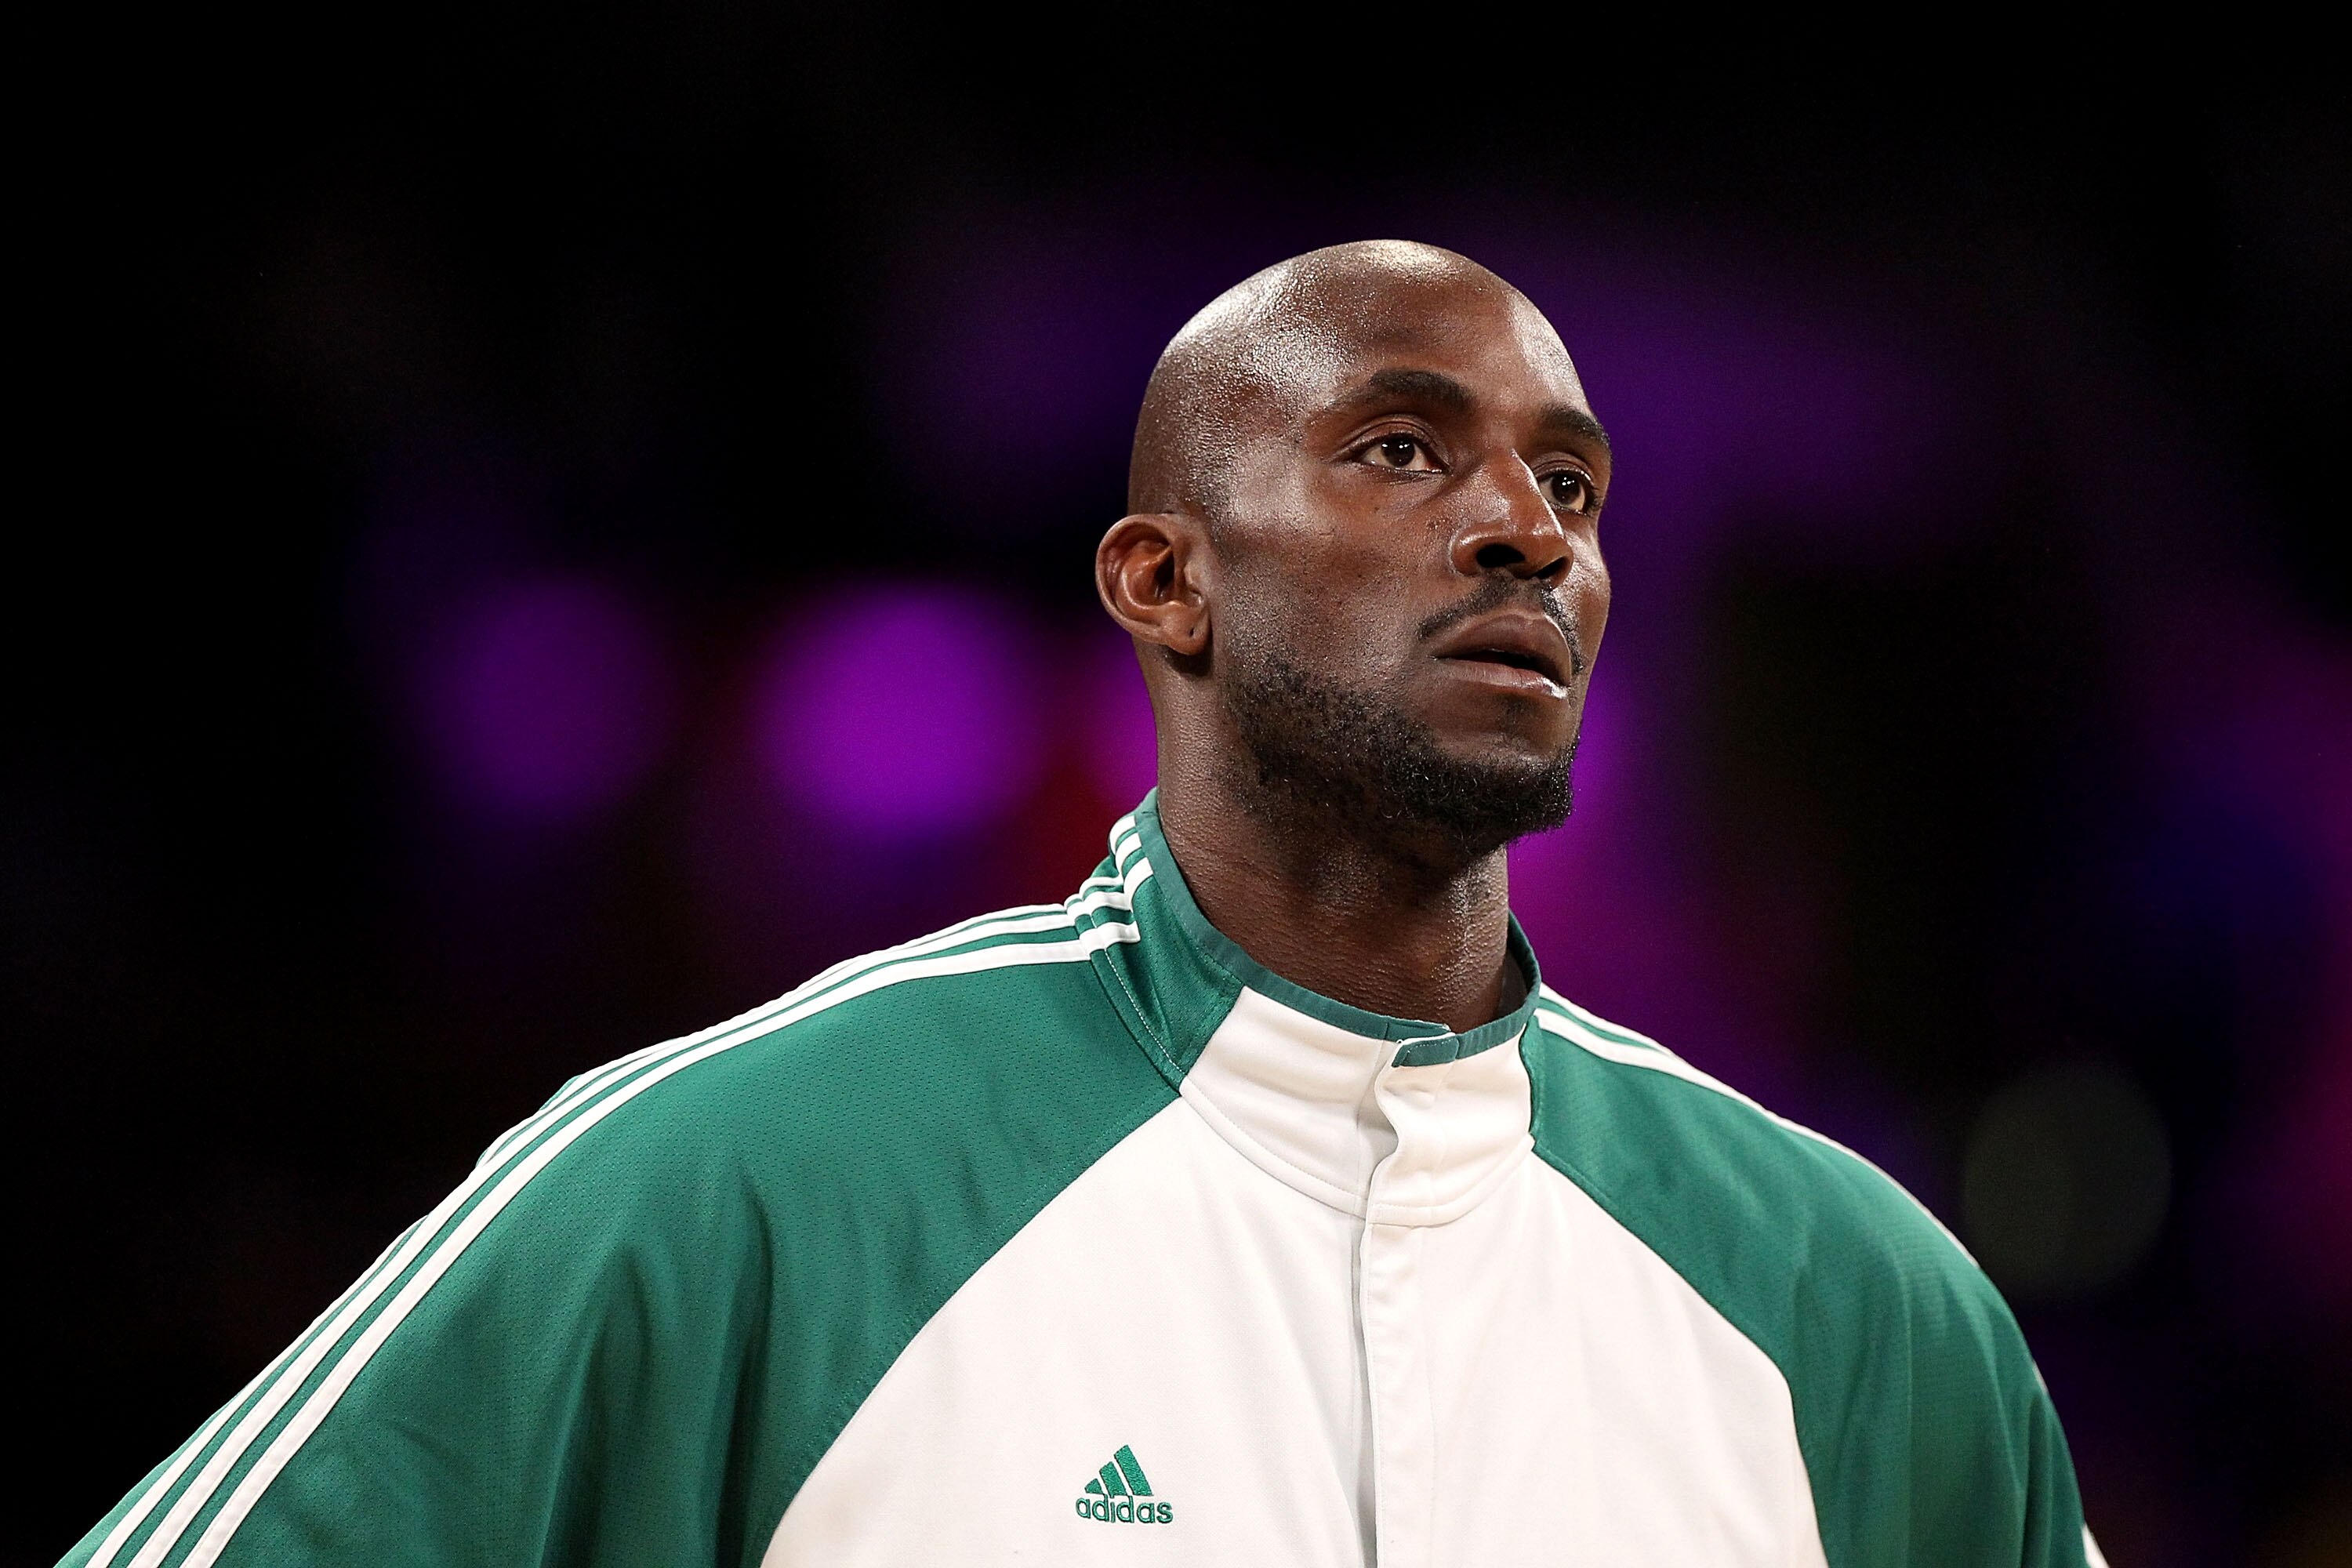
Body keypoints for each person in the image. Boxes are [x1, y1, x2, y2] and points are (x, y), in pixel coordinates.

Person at [64, 241, 2101, 1566]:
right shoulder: (742, 1189)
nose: (1522, 531)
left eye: (1570, 487)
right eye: (1407, 448)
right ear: (1162, 582)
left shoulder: (1863, 1312)